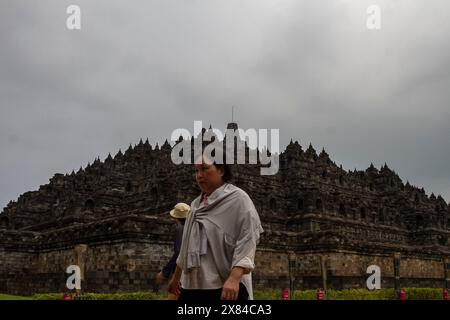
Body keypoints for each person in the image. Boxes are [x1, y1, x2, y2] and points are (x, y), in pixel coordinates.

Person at [167, 153, 263, 303]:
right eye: (197, 171)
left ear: (221, 170)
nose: (199, 175)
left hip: (224, 285)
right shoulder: (194, 206)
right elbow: (185, 247)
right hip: (192, 286)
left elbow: (247, 240)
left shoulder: (238, 199)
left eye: (205, 169)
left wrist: (234, 278)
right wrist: (175, 278)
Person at [155, 202, 190, 298]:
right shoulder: (191, 228)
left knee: (173, 295)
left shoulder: (180, 228)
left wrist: (165, 272)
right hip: (190, 268)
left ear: (175, 217)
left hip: (180, 271)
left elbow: (179, 251)